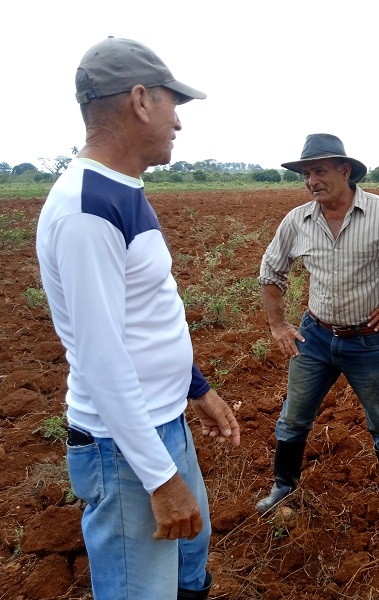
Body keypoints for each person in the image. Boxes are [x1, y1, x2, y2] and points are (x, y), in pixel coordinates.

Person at [36, 37, 241, 600]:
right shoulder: (86, 210)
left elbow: (145, 317)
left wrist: (195, 388)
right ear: (141, 99)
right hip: (123, 447)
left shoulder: (122, 189)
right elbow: (101, 360)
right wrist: (159, 477)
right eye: (175, 104)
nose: (179, 123)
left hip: (161, 423)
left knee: (188, 572)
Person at [256, 133, 379, 533]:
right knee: (293, 418)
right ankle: (283, 484)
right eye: (306, 173)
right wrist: (278, 326)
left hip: (369, 340)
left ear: (345, 171)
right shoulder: (298, 220)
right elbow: (270, 272)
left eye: (320, 171)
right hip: (315, 336)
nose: (311, 181)